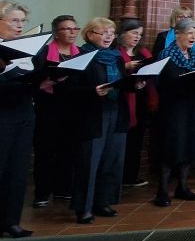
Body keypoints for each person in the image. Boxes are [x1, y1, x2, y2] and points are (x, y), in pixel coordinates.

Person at [70, 18, 140, 223]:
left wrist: (135, 85)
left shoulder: (116, 57)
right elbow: (70, 90)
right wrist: (92, 91)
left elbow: (119, 83)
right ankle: (84, 208)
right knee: (89, 162)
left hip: (116, 111)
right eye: (104, 32)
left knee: (112, 159)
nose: (109, 36)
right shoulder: (81, 56)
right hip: (93, 113)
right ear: (90, 34)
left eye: (111, 32)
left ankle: (103, 201)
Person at [154, 18, 195, 206]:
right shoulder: (166, 55)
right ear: (178, 34)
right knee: (171, 145)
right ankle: (162, 190)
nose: (193, 37)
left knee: (189, 142)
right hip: (172, 107)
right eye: (190, 33)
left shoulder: (194, 56)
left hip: (191, 105)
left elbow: (194, 78)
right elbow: (169, 80)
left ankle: (182, 186)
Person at [0, 0, 45, 237]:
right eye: (14, 21)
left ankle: (11, 222)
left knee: (18, 170)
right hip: (2, 114)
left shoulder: (28, 50)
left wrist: (45, 79)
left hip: (24, 112)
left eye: (22, 21)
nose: (20, 26)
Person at [32, 15, 80, 207]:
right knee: (46, 151)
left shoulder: (81, 52)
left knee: (68, 150)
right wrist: (45, 82)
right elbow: (33, 79)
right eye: (66, 29)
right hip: (49, 107)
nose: (72, 32)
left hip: (73, 108)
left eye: (75, 29)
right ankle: (42, 192)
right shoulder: (43, 53)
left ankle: (63, 188)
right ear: (56, 32)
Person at [117, 18, 155, 188]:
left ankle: (131, 175)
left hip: (142, 99)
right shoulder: (116, 52)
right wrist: (126, 66)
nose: (137, 37)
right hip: (124, 100)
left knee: (137, 139)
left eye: (140, 34)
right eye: (134, 33)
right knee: (123, 140)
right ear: (122, 33)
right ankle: (119, 175)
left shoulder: (144, 52)